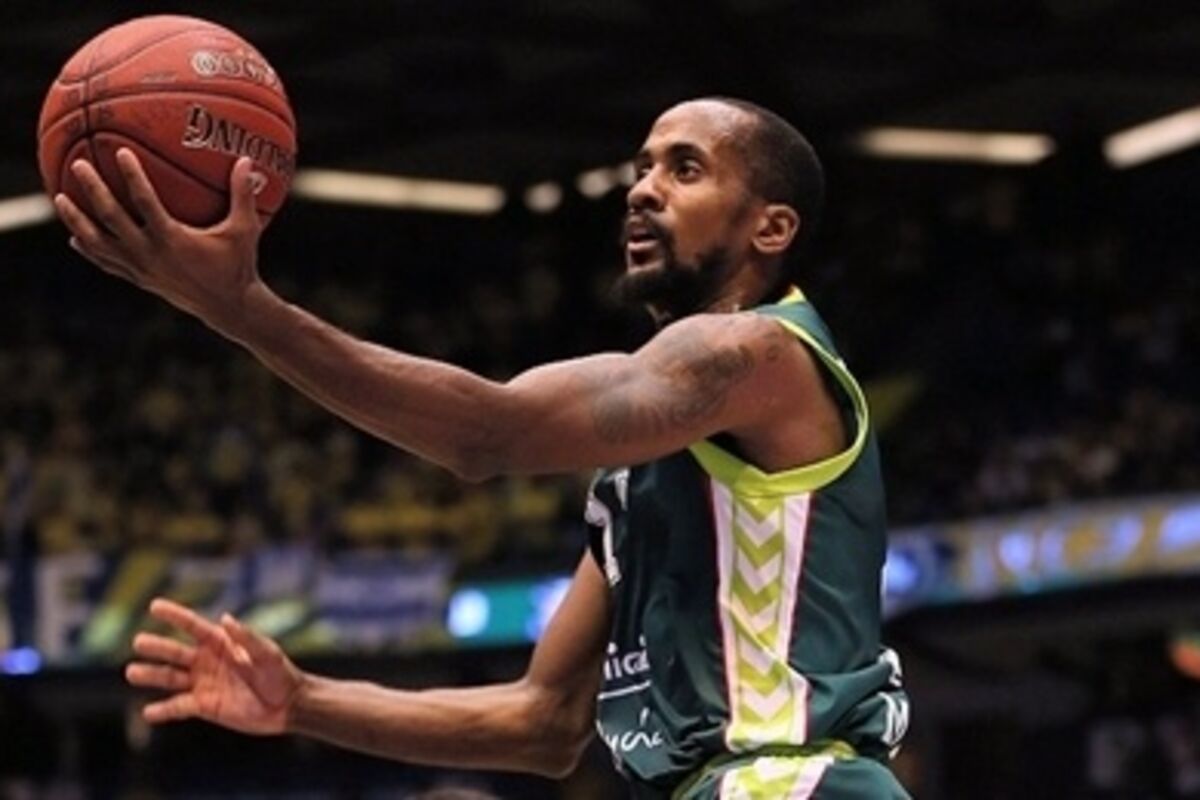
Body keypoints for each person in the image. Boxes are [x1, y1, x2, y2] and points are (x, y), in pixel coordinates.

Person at [55, 97, 910, 799]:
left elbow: (486, 434)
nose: (643, 190)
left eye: (685, 169)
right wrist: (303, 701)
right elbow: (542, 722)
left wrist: (239, 306)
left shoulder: (761, 352)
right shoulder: (645, 473)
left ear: (771, 228)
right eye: (643, 166)